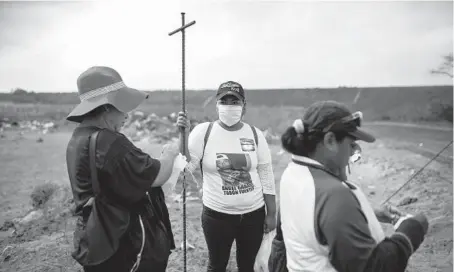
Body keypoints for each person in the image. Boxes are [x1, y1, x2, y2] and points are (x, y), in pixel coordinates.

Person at [268, 100, 429, 272]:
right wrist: (410, 231)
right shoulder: (334, 196)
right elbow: (376, 267)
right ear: (330, 141)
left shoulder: (292, 173)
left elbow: (309, 216)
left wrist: (364, 212)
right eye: (350, 144)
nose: (353, 152)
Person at [66, 66, 187, 272]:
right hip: (121, 243)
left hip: (95, 238)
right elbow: (157, 176)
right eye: (122, 108)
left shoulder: (77, 139)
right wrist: (170, 152)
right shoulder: (110, 142)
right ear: (106, 107)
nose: (127, 116)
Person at [176, 81, 277, 272]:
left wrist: (271, 213)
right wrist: (183, 135)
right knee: (217, 266)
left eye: (235, 101)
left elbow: (265, 173)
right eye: (224, 100)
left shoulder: (255, 134)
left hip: (253, 216)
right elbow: (186, 167)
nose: (229, 106)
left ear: (243, 106)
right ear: (217, 105)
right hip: (217, 216)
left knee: (248, 267)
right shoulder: (203, 132)